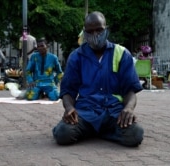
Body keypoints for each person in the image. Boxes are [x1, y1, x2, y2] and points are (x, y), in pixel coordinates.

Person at [52, 11, 144, 147]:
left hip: (114, 112)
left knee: (135, 134)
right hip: (85, 113)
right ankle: (102, 132)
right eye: (90, 31)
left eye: (99, 30)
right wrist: (69, 107)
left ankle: (94, 132)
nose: (95, 35)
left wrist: (129, 109)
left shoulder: (122, 53)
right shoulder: (76, 56)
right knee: (63, 133)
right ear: (84, 32)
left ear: (106, 29)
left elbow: (130, 90)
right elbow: (68, 91)